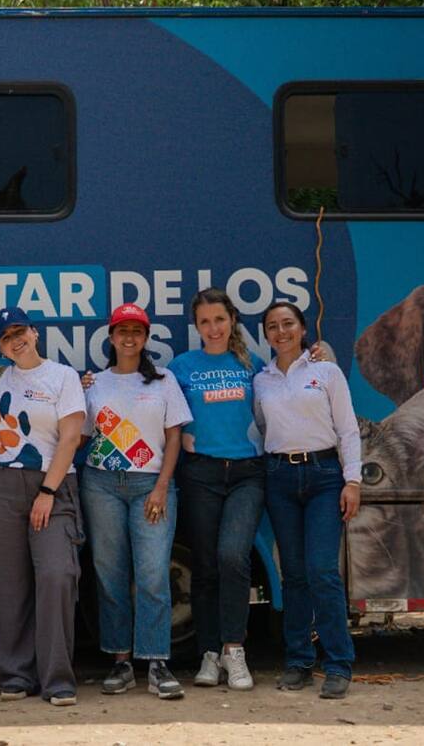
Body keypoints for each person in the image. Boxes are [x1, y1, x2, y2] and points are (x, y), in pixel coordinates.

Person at [80, 303, 193, 699]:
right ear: (111, 338)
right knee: (110, 575)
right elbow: (80, 436)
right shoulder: (94, 384)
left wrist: (162, 486)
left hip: (150, 485)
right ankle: (121, 662)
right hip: (101, 484)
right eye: (122, 331)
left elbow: (174, 437)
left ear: (145, 338)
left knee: (153, 574)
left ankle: (157, 662)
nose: (129, 337)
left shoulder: (163, 380)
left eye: (137, 331)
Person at [0, 306, 87, 706]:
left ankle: (57, 678)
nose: (16, 340)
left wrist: (47, 491)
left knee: (58, 574)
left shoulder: (63, 377)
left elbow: (71, 438)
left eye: (20, 331)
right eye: (6, 337)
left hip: (52, 486)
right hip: (1, 485)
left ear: (34, 332)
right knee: (7, 583)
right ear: (0, 347)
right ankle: (15, 675)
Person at [254, 302, 361, 699]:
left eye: (288, 324)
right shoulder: (262, 380)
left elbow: (348, 429)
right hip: (280, 478)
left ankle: (338, 664)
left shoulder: (326, 372)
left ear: (302, 329)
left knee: (322, 571)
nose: (280, 332)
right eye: (272, 326)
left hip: (324, 476)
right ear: (266, 335)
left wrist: (353, 481)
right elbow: (262, 427)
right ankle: (298, 661)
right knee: (294, 575)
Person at [167, 288, 266, 690]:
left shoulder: (253, 364)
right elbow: (154, 403)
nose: (213, 328)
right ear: (196, 326)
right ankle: (209, 654)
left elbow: (287, 391)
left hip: (247, 474)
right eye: (205, 322)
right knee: (205, 565)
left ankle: (234, 650)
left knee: (232, 556)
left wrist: (318, 358)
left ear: (232, 320)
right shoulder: (181, 367)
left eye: (219, 320)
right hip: (201, 474)